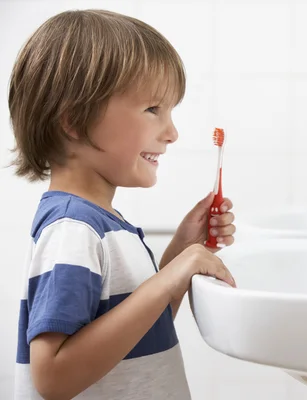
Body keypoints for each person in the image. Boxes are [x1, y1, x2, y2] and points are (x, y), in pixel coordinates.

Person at [9, 9, 236, 399]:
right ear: (75, 121)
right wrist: (168, 277)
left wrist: (182, 251)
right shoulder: (73, 229)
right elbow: (53, 378)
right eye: (153, 110)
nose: (172, 133)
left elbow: (136, 332)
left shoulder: (104, 224)